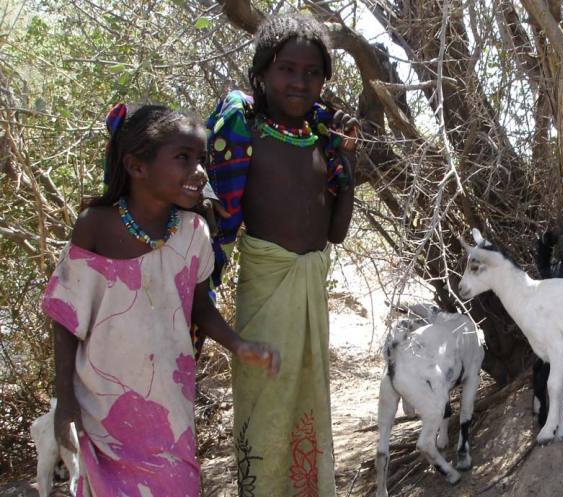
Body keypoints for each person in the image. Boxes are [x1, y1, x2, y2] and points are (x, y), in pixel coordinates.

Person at [43, 104, 280, 497]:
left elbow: (199, 308)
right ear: (137, 166)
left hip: (169, 408)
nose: (200, 171)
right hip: (102, 411)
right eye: (183, 159)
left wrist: (239, 345)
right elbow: (66, 319)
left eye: (201, 159)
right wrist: (65, 404)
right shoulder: (95, 228)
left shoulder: (194, 232)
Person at [204, 13, 359, 497]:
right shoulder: (245, 130)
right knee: (265, 400)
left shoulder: (322, 143)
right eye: (287, 69)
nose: (299, 81)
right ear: (262, 74)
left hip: (311, 290)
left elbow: (335, 233)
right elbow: (215, 225)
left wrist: (348, 163)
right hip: (267, 292)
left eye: (312, 72)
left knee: (307, 404)